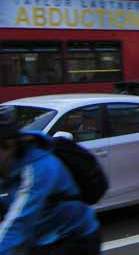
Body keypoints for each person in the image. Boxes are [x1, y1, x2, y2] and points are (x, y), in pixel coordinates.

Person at [0, 106, 100, 254]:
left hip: (75, 240)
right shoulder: (7, 163)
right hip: (42, 236)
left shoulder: (40, 167)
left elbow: (19, 221)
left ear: (9, 146)